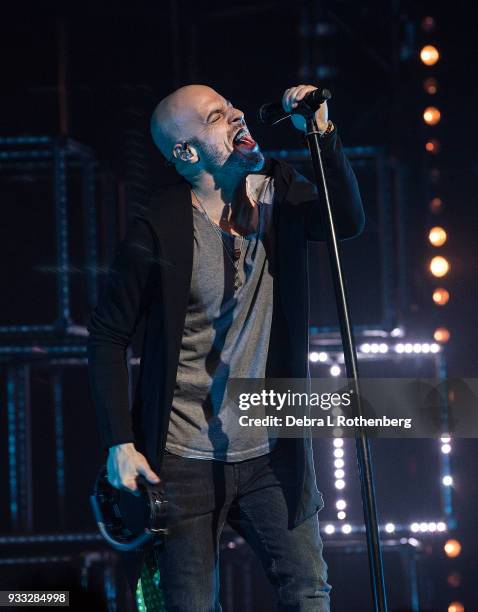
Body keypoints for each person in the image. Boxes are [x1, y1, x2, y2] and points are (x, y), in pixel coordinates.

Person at [87, 83, 365, 611]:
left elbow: (345, 222)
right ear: (186, 153)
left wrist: (322, 133)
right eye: (217, 116)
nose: (237, 115)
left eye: (232, 106)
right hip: (183, 457)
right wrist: (119, 442)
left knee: (309, 592)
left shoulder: (275, 191)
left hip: (271, 451)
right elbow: (107, 335)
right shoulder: (159, 229)